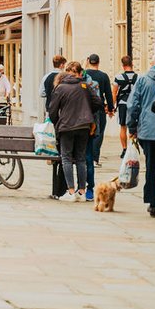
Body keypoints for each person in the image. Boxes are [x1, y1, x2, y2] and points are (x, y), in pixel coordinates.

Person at [127, 52, 155, 220]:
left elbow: (133, 105)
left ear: (152, 64)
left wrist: (132, 126)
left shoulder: (143, 80)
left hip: (147, 131)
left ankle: (152, 204)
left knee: (151, 168)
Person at [47, 61, 99, 202]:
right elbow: (98, 103)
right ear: (79, 73)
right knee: (81, 158)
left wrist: (58, 121)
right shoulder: (85, 86)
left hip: (66, 126)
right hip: (84, 126)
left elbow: (52, 110)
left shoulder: (60, 87)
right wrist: (87, 112)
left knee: (66, 158)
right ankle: (82, 191)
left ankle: (70, 191)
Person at [85, 53, 114, 170]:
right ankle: (95, 159)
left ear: (89, 61)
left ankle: (86, 157)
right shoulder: (103, 76)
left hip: (85, 107)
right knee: (99, 133)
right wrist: (111, 108)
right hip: (99, 107)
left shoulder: (84, 75)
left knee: (87, 133)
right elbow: (108, 94)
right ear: (98, 62)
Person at [114, 55, 138, 156]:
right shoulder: (138, 77)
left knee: (123, 126)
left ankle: (124, 149)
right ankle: (133, 147)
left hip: (123, 103)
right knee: (134, 126)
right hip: (134, 103)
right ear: (132, 64)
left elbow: (114, 93)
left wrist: (113, 106)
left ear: (123, 65)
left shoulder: (118, 77)